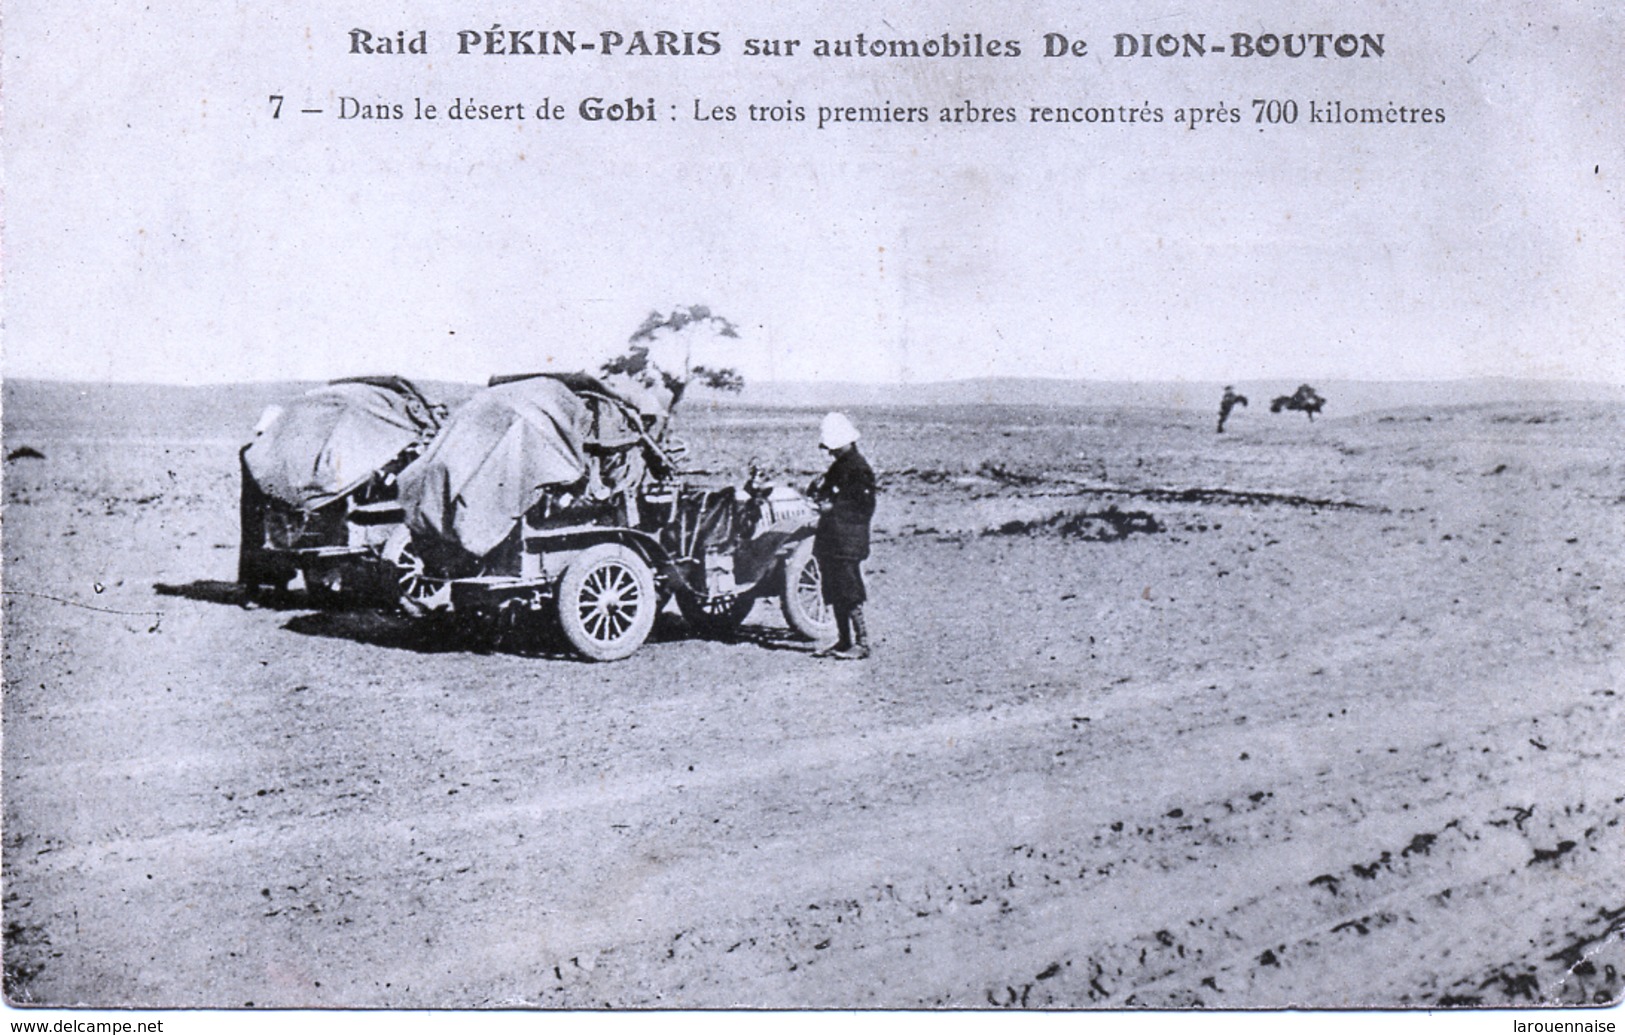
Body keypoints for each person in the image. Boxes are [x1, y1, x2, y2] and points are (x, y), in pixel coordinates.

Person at [807, 412, 877, 659]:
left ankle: (862, 642)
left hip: (848, 539)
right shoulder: (839, 467)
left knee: (849, 589)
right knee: (834, 589)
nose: (831, 452)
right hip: (833, 539)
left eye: (834, 448)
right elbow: (826, 490)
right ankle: (843, 640)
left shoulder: (859, 468)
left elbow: (863, 506)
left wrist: (833, 508)